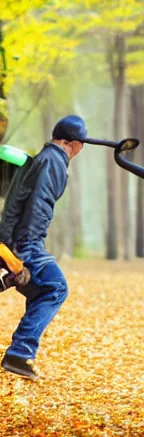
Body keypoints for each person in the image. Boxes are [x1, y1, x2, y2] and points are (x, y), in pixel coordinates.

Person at [0, 115, 90, 380]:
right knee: (55, 287)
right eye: (79, 149)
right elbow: (39, 204)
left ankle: (20, 351)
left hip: (14, 239)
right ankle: (20, 353)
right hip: (25, 241)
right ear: (72, 145)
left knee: (41, 289)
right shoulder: (54, 160)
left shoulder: (43, 158)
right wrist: (24, 251)